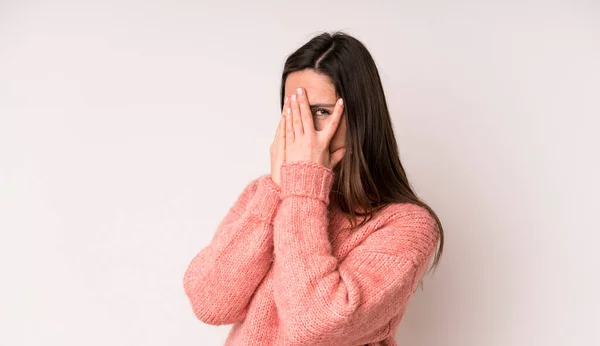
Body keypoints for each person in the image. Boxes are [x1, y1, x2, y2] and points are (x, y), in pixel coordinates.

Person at [183, 31, 445, 346]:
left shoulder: (405, 224)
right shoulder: (264, 195)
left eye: (320, 111)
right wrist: (277, 190)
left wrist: (304, 188)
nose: (303, 127)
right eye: (294, 110)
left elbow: (316, 325)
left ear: (360, 117)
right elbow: (210, 304)